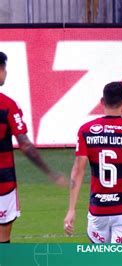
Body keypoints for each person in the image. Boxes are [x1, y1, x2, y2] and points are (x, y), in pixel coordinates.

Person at [64, 81, 122, 243]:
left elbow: (77, 170)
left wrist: (71, 209)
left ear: (102, 101)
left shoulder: (86, 130)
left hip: (98, 210)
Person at [0, 52, 67, 243]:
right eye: (4, 68)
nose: (6, 73)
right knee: (3, 238)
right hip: (3, 183)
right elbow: (26, 146)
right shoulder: (8, 106)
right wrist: (50, 172)